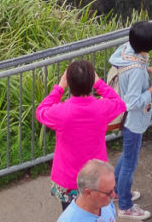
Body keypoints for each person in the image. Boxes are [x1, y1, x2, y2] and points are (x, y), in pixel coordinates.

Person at [36, 59, 126, 212]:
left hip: (68, 179)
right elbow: (119, 103)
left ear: (69, 84)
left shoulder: (60, 112)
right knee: (98, 214)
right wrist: (99, 83)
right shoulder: (102, 108)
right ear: (91, 83)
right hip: (96, 179)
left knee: (72, 215)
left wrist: (59, 87)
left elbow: (41, 110)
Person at [109, 21, 152, 218]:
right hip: (133, 121)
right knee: (130, 162)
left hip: (129, 119)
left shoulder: (126, 50)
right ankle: (125, 206)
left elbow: (134, 68)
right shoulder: (135, 69)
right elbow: (133, 102)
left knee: (127, 156)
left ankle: (116, 191)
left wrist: (149, 69)